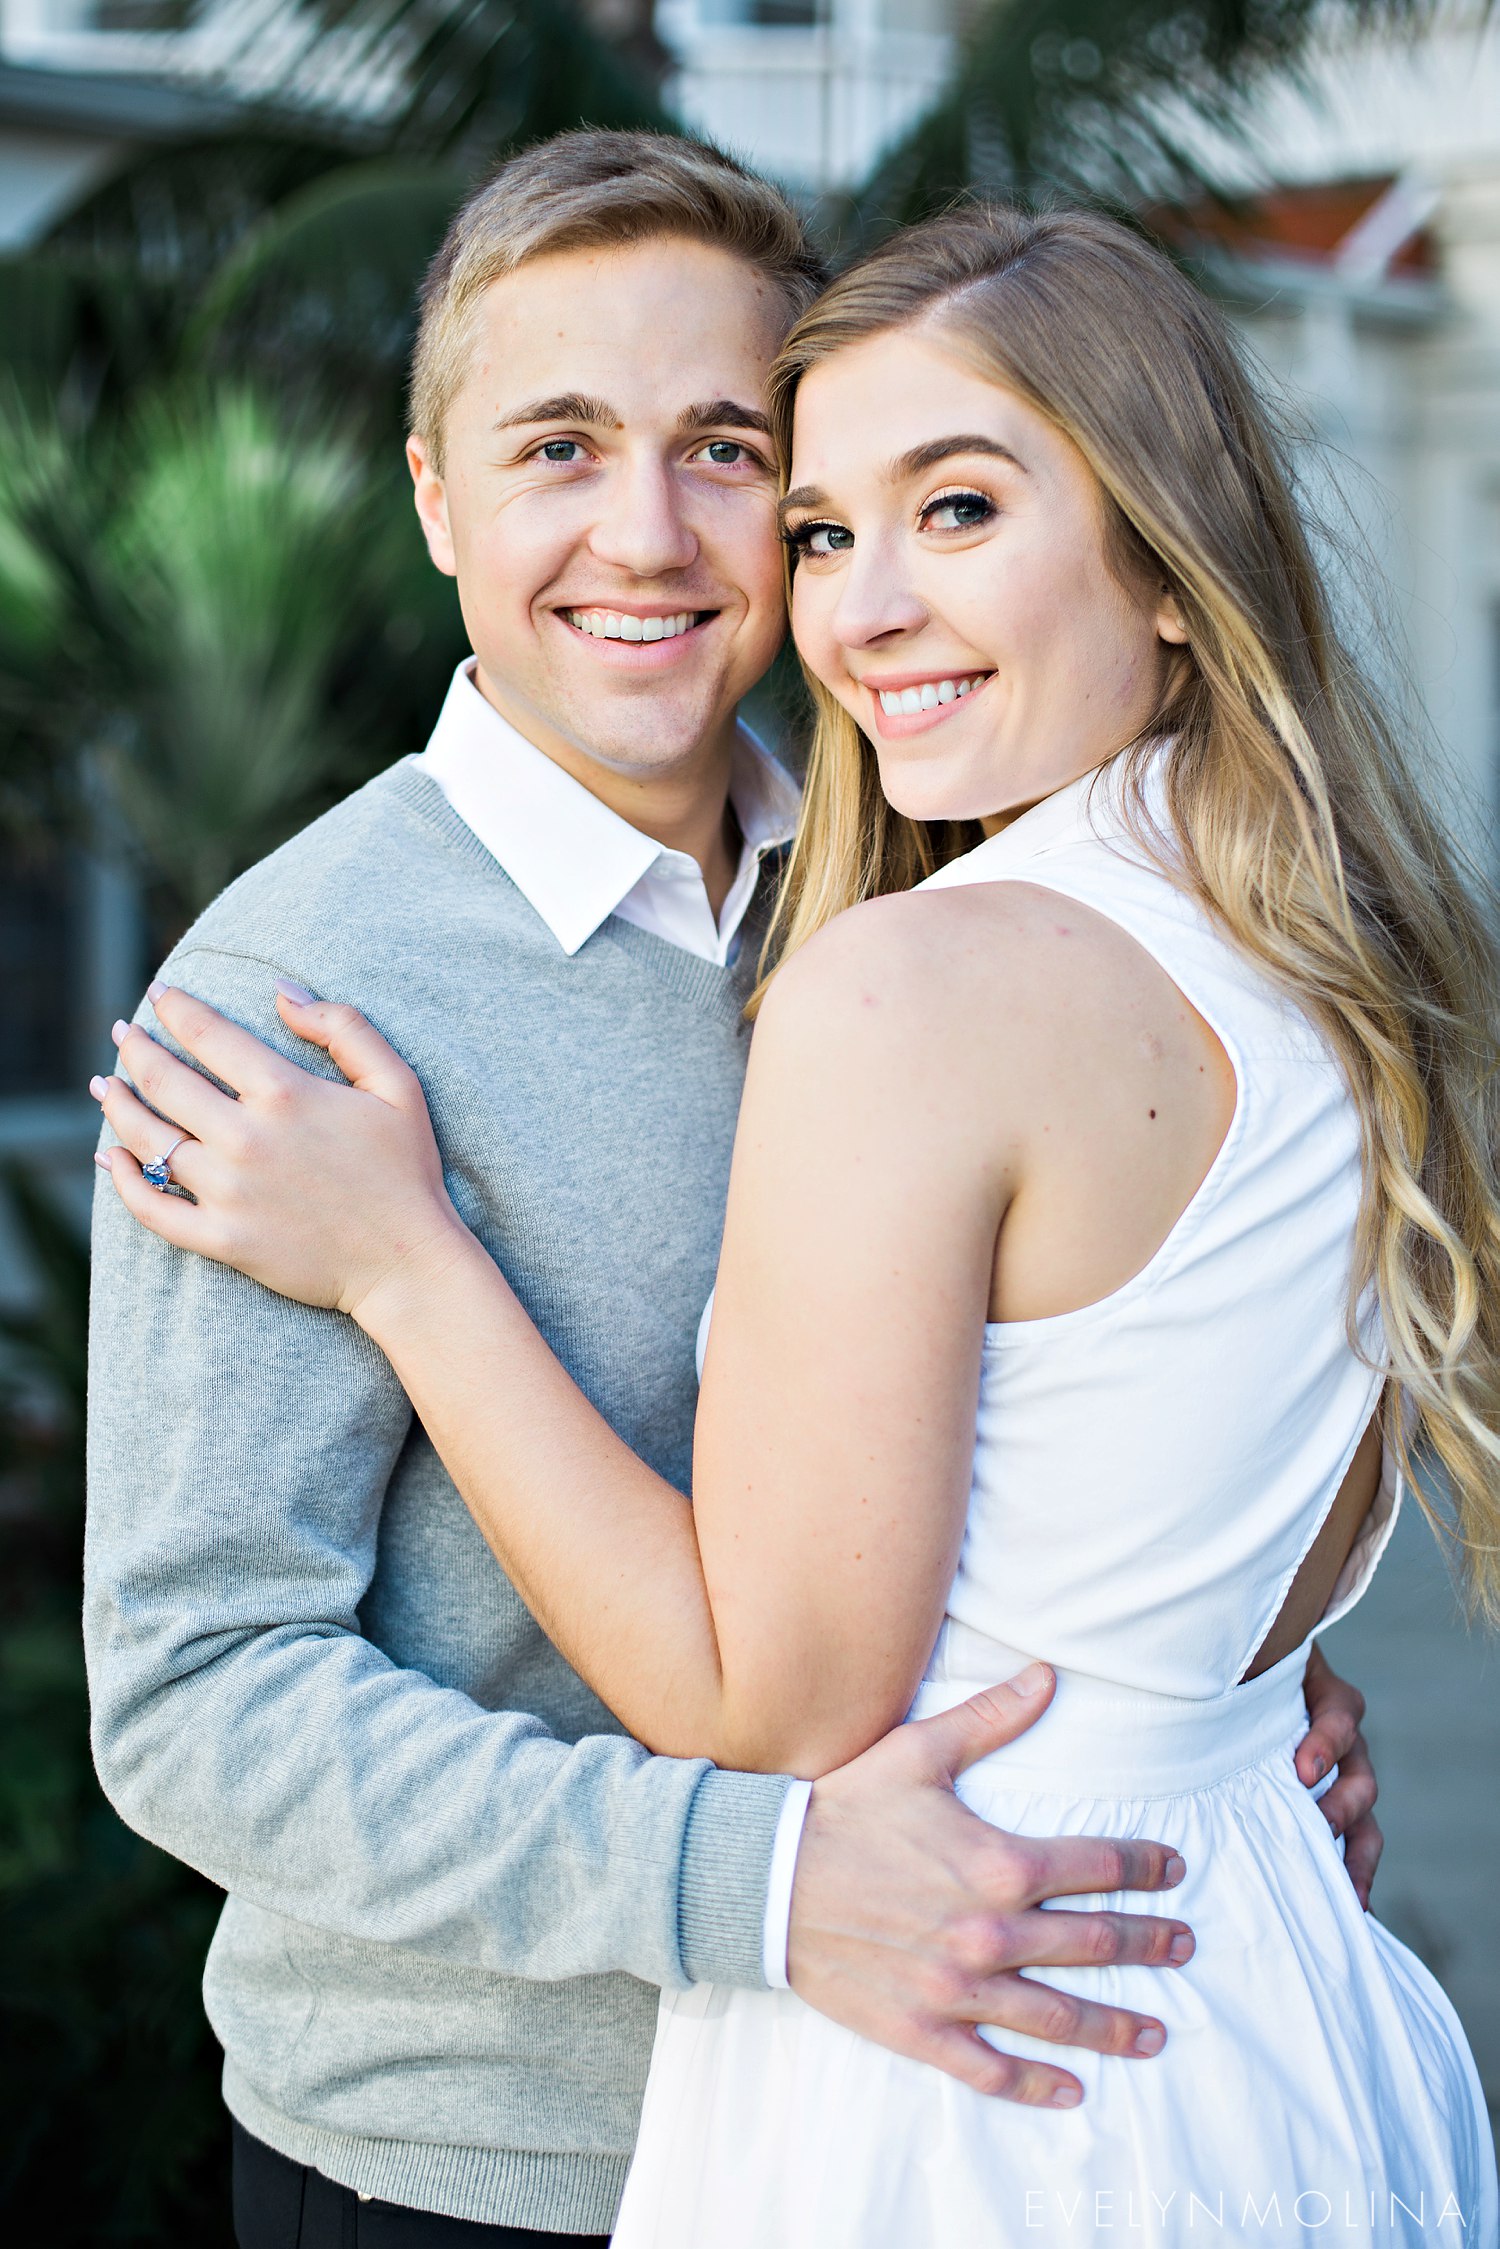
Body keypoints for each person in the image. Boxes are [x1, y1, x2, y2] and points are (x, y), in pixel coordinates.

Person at [89, 198, 1491, 2241]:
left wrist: (1204, 1685)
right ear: (435, 501)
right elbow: (198, 1695)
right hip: (488, 2161)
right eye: (560, 446)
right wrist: (743, 1883)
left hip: (972, 2079)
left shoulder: (912, 898)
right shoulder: (289, 1000)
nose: (652, 535)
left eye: (735, 458)